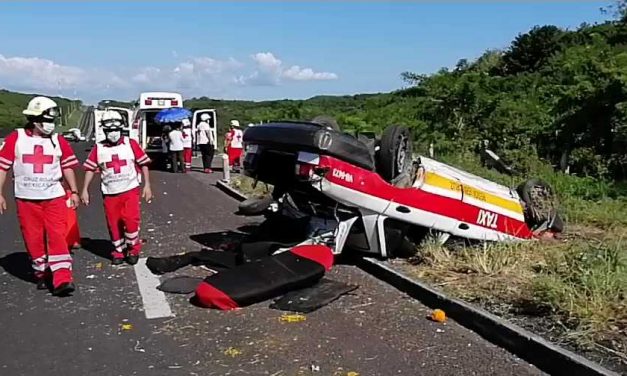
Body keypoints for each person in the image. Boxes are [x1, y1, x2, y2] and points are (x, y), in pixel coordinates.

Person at [0, 96, 80, 296]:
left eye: (53, 121)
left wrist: (75, 190)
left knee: (57, 234)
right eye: (47, 120)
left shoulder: (58, 140)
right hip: (26, 199)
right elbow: (2, 167)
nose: (50, 125)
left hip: (54, 196)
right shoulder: (16, 138)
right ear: (34, 119)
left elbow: (68, 167)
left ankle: (62, 278)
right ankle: (42, 272)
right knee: (33, 237)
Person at [81, 110, 153, 265]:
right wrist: (84, 189)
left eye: (116, 130)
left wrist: (147, 185)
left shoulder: (130, 144)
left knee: (131, 220)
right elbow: (90, 169)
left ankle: (133, 248)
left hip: (130, 189)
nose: (113, 133)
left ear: (121, 129)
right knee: (113, 223)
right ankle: (118, 251)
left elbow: (144, 164)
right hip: (110, 192)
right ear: (105, 131)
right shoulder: (99, 148)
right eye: (110, 130)